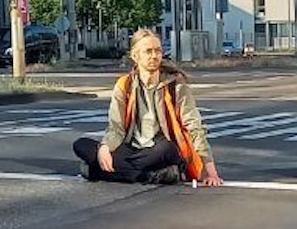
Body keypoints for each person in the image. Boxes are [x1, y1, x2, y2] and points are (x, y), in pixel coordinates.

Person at [74, 27, 224, 186]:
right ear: (135, 56)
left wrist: (210, 171)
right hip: (133, 150)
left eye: (158, 51)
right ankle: (154, 176)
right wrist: (105, 147)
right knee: (81, 145)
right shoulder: (124, 85)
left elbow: (194, 127)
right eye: (148, 51)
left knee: (166, 148)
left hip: (163, 150)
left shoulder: (176, 86)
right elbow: (116, 128)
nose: (154, 56)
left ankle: (96, 172)